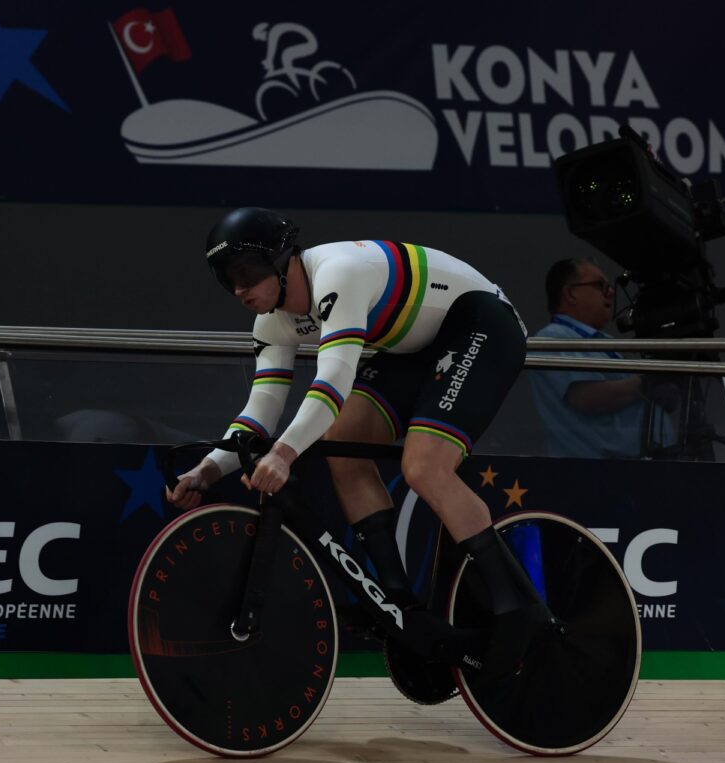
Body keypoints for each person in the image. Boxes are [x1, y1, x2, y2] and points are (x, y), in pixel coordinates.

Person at [166, 206, 546, 680]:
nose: (240, 289)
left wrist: (284, 454)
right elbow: (259, 413)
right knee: (342, 445)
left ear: (286, 260)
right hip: (408, 347)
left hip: (479, 323)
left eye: (247, 272)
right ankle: (399, 603)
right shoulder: (271, 323)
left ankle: (518, 608)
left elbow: (334, 379)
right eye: (228, 279)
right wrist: (206, 470)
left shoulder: (338, 273)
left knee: (424, 466)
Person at [529, 257, 675, 459]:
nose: (611, 292)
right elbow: (585, 398)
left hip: (636, 468)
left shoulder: (602, 340)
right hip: (598, 475)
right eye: (600, 285)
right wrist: (647, 383)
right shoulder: (553, 337)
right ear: (571, 293)